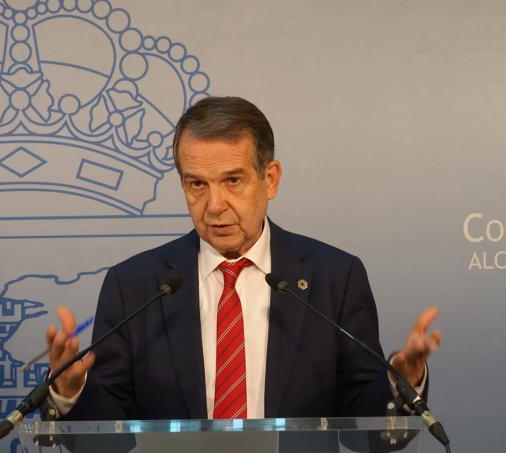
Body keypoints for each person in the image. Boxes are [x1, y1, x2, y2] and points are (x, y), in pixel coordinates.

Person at [42, 96, 440, 420]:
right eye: (196, 184)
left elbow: (366, 421)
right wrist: (71, 391)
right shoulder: (135, 285)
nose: (214, 205)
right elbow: (102, 443)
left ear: (270, 179)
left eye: (233, 181)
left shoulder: (334, 277)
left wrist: (399, 386)